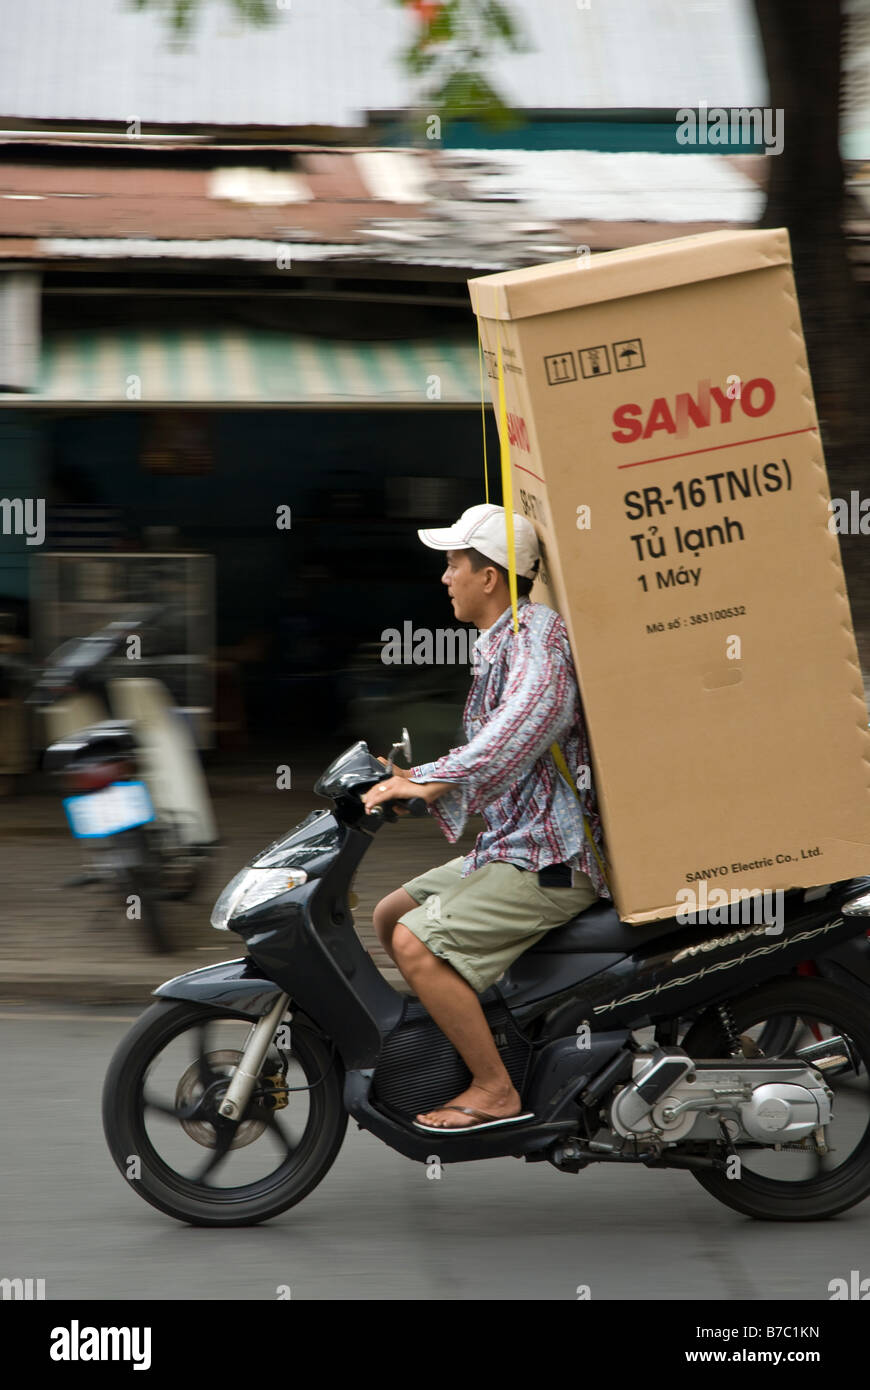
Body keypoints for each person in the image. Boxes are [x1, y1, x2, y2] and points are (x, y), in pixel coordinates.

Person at [363, 503, 609, 1133]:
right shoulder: (503, 641)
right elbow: (494, 740)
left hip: (548, 857)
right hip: (511, 845)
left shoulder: (536, 638)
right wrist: (403, 778)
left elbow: (524, 727)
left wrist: (427, 783)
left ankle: (495, 1086)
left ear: (490, 576)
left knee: (416, 944)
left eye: (453, 564)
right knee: (390, 914)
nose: (445, 577)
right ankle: (464, 1035)